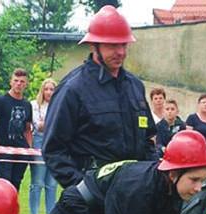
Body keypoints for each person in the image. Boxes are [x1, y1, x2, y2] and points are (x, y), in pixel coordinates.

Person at [46, 130, 206, 214]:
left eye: (203, 180)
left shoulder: (171, 190)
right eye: (194, 180)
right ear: (173, 174)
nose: (199, 188)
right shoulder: (137, 189)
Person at [43, 5, 157, 188]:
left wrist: (151, 176)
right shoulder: (72, 89)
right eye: (112, 45)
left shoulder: (135, 86)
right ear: (93, 45)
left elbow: (148, 140)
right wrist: (82, 190)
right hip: (93, 200)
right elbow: (54, 150)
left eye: (123, 44)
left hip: (133, 195)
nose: (120, 52)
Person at [0, 68, 33, 192]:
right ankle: (2, 210)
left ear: (26, 84)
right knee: (4, 184)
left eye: (22, 81)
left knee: (16, 183)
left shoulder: (27, 105)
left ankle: (12, 210)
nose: (19, 84)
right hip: (3, 150)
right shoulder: (0, 101)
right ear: (11, 82)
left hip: (21, 151)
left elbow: (27, 129)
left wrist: (29, 149)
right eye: (16, 80)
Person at [29, 78, 58, 214]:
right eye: (46, 89)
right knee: (38, 181)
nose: (49, 92)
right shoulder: (34, 105)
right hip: (38, 141)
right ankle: (34, 213)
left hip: (55, 142)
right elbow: (37, 126)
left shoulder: (59, 105)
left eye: (52, 89)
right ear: (42, 90)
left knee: (52, 183)